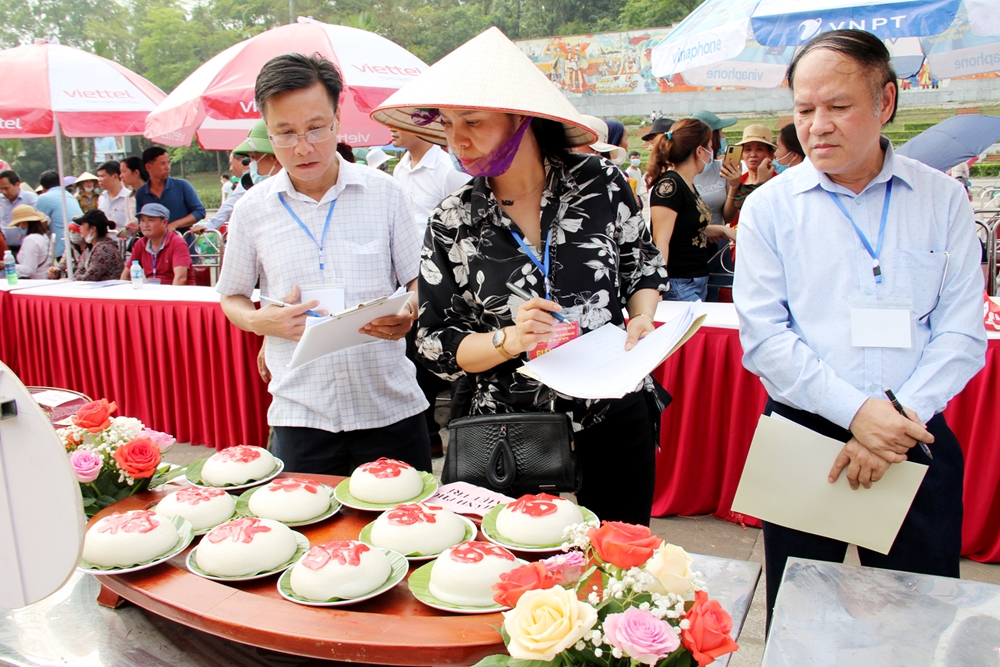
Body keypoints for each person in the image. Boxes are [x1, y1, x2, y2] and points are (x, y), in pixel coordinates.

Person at [733, 29, 987, 630]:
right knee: (799, 622)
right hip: (803, 438)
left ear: (885, 102)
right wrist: (857, 414)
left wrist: (891, 423)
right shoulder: (769, 207)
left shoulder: (943, 199)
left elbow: (961, 333)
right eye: (803, 110)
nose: (817, 126)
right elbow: (766, 337)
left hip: (913, 437)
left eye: (838, 106)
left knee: (919, 622)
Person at [372, 26, 669, 526]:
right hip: (508, 428)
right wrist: (509, 339)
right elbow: (436, 343)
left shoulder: (601, 183)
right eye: (447, 124)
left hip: (612, 409)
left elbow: (641, 265)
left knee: (620, 553)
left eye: (473, 121)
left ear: (521, 117)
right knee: (517, 559)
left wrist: (642, 317)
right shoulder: (452, 220)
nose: (457, 140)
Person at [216, 52, 431, 477]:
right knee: (306, 519)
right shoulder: (252, 210)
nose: (303, 147)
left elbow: (418, 279)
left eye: (316, 128)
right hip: (301, 415)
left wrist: (409, 310)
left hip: (389, 409)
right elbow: (232, 296)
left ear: (337, 120)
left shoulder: (385, 193)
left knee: (405, 517)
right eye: (285, 133)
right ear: (268, 133)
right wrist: (260, 322)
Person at [390, 127, 471, 458]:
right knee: (417, 360)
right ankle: (429, 436)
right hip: (413, 283)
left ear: (421, 124)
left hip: (451, 284)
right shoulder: (399, 169)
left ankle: (466, 441)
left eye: (401, 121)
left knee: (456, 362)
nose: (392, 128)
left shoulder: (447, 169)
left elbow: (470, 224)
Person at [646, 119, 715, 302]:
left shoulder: (687, 184)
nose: (712, 152)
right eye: (710, 147)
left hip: (695, 279)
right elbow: (661, 239)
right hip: (679, 283)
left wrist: (722, 230)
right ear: (700, 151)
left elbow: (685, 227)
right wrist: (659, 286)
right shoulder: (670, 186)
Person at [192, 121, 281, 233]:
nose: (250, 164)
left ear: (274, 157)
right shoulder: (250, 186)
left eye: (253, 158)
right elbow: (230, 204)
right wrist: (211, 225)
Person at [135, 147, 206, 236]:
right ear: (148, 167)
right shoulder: (141, 193)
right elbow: (141, 220)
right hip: (156, 243)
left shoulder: (182, 186)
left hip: (183, 241)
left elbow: (200, 211)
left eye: (168, 163)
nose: (167, 168)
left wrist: (175, 224)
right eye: (162, 164)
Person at [119, 203, 194, 286]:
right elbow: (125, 275)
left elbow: (181, 278)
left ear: (164, 222)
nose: (145, 225)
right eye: (142, 220)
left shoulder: (177, 243)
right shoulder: (140, 243)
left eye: (150, 220)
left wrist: (169, 295)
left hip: (175, 291)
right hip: (151, 291)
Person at [721, 124, 776, 226]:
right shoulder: (739, 180)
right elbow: (727, 218)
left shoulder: (778, 181)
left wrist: (761, 184)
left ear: (770, 154)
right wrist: (734, 187)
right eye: (748, 149)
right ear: (742, 154)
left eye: (759, 149)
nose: (753, 154)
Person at [35, 170, 83, 259]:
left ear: (43, 187)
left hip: (63, 248)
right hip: (79, 243)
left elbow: (37, 224)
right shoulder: (69, 195)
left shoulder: (44, 197)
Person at [66, 209, 123, 282]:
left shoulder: (105, 250)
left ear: (93, 228)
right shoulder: (89, 249)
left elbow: (88, 278)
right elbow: (79, 272)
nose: (80, 228)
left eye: (82, 224)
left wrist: (73, 278)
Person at [7, 205, 51, 279]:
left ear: (24, 223)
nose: (18, 228)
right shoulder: (43, 236)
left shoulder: (30, 240)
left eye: (18, 225)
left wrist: (8, 265)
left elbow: (29, 270)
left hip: (35, 282)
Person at [0, 169, 38, 254]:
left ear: (17, 184)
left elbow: (37, 220)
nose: (3, 192)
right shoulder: (1, 200)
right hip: (5, 249)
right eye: (1, 189)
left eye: (6, 188)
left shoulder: (30, 199)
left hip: (26, 248)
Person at [96, 161, 130, 229]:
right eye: (98, 176)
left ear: (115, 176)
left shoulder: (130, 197)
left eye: (102, 176)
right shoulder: (102, 197)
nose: (99, 180)